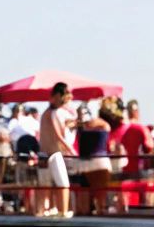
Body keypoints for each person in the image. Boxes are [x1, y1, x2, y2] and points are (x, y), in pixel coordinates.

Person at [37, 83, 77, 216]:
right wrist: (71, 150)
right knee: (63, 184)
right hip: (53, 154)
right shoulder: (53, 113)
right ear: (59, 96)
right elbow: (58, 135)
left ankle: (42, 211)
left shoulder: (46, 113)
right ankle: (63, 211)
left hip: (43, 154)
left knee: (45, 186)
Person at [73, 102, 116, 214]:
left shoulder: (79, 126)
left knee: (83, 203)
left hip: (83, 163)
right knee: (101, 202)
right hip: (99, 162)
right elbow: (107, 127)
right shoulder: (102, 125)